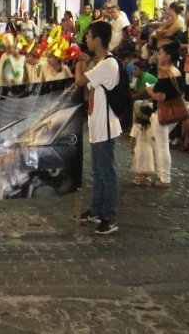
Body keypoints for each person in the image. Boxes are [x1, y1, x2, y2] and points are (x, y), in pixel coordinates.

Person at [74, 21, 121, 235]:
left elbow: (80, 81)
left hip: (105, 126)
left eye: (89, 36)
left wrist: (77, 62)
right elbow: (89, 86)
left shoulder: (108, 64)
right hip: (96, 124)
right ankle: (97, 210)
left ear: (98, 40)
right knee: (97, 171)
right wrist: (85, 65)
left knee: (106, 173)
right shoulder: (100, 63)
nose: (87, 40)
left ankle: (109, 216)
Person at [145, 42, 184, 189]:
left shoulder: (164, 73)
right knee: (156, 140)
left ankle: (165, 178)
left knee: (162, 145)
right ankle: (162, 174)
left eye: (161, 53)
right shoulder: (176, 71)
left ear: (168, 56)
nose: (158, 56)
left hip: (163, 113)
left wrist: (149, 91)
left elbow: (161, 97)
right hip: (174, 112)